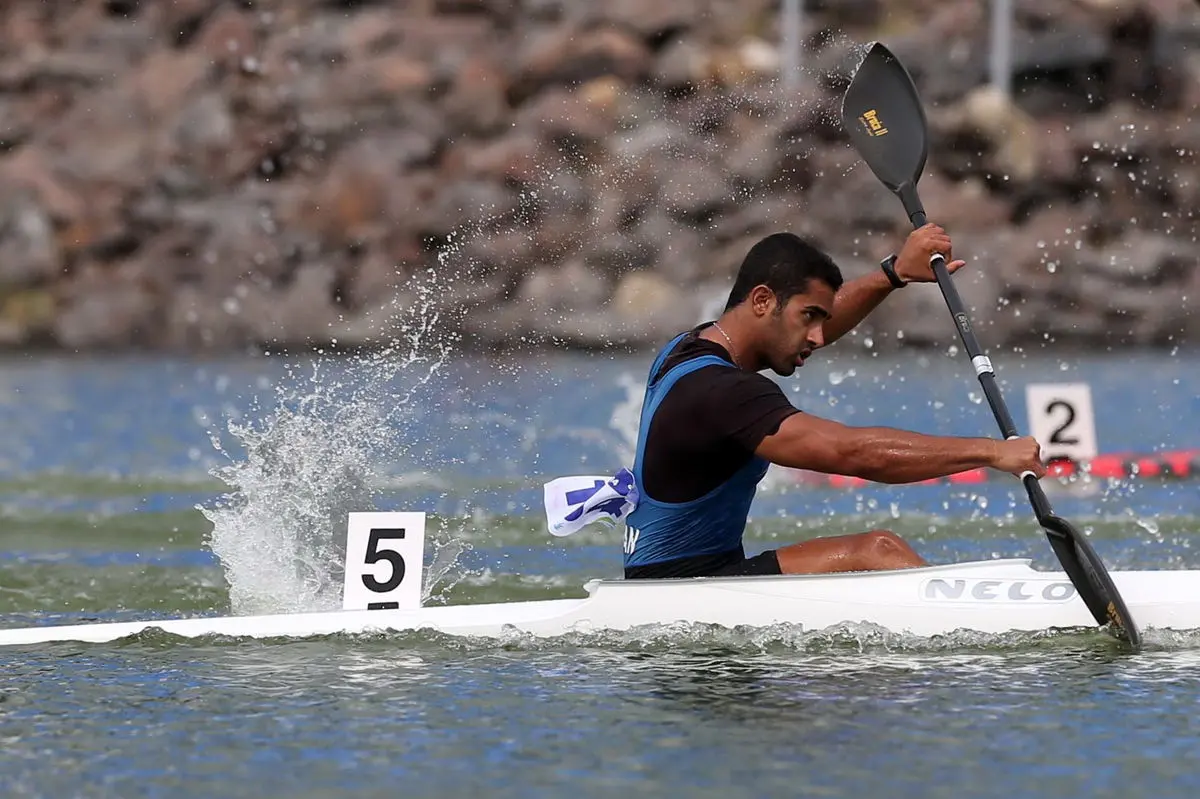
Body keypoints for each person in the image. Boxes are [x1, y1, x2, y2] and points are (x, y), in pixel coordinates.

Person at [622, 224, 1046, 580]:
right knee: (875, 552)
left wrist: (894, 273)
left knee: (877, 549)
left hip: (682, 576)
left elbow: (806, 328)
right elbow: (854, 453)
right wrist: (992, 452)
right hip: (683, 590)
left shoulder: (689, 347)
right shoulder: (724, 394)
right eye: (810, 317)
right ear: (763, 300)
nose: (820, 337)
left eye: (821, 320)